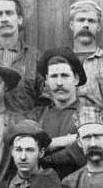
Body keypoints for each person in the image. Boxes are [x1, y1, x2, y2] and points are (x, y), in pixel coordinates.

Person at [35, 47, 99, 178]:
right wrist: (69, 140)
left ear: (75, 79)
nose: (59, 83)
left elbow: (85, 151)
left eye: (64, 76)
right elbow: (28, 150)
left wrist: (44, 151)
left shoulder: (90, 114)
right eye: (54, 76)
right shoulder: (38, 116)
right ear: (46, 80)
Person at [68, 0, 103, 117]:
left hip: (102, 129)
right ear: (72, 25)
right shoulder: (62, 62)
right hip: (67, 129)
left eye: (91, 21)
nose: (86, 25)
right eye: (81, 20)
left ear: (98, 27)